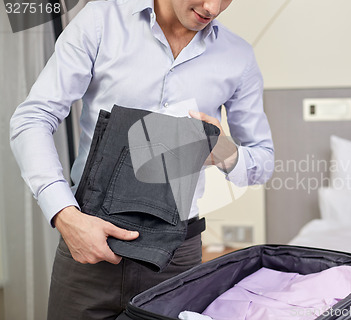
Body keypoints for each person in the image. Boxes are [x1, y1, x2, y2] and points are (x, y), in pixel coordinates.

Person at [9, 0, 274, 318]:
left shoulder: (238, 56)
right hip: (88, 237)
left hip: (177, 256)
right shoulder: (100, 21)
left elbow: (263, 162)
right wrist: (64, 216)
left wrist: (226, 153)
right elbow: (33, 118)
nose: (213, 8)